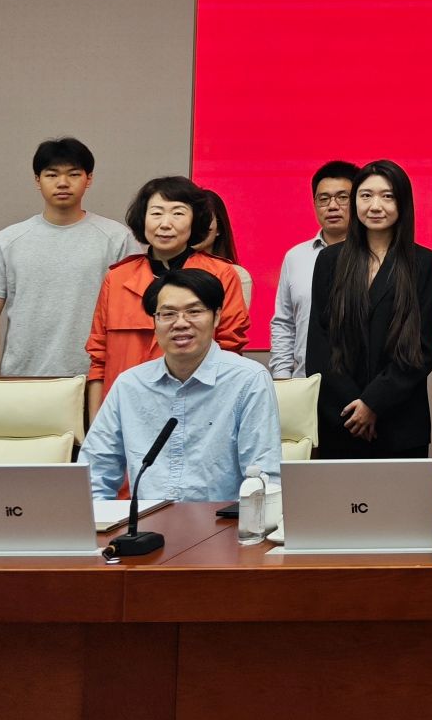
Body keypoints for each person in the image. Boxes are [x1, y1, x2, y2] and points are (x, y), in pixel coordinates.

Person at [79, 268, 281, 501]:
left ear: (216, 316)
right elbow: (94, 474)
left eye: (194, 311)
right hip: (146, 521)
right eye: (168, 314)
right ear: (154, 321)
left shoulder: (248, 380)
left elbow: (264, 479)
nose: (181, 323)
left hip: (223, 521)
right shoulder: (130, 385)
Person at [0, 137, 140, 378]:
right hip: (21, 378)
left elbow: (133, 314)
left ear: (89, 179)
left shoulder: (118, 239)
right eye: (52, 175)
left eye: (73, 174)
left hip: (93, 378)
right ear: (37, 180)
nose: (63, 183)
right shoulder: (6, 241)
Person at [306, 160, 432, 459]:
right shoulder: (330, 260)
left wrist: (373, 403)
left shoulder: (424, 263)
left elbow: (422, 349)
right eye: (366, 195)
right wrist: (354, 407)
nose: (375, 206)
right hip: (342, 420)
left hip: (400, 421)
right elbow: (319, 343)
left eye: (387, 196)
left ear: (403, 202)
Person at [86, 177, 250, 421]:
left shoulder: (221, 274)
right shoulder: (117, 278)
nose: (165, 224)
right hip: (127, 412)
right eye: (156, 213)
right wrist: (96, 426)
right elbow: (99, 359)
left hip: (197, 412)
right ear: (143, 219)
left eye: (178, 213)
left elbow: (230, 351)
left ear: (195, 220)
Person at [269, 159, 357, 378]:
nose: (332, 206)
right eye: (323, 199)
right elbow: (284, 322)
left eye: (342, 197)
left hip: (360, 384)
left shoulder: (374, 256)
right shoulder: (296, 256)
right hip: (305, 380)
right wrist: (282, 377)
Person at [193, 188, 255, 309]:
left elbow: (233, 320)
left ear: (219, 228)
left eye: (205, 220)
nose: (197, 227)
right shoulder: (161, 269)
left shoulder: (236, 275)